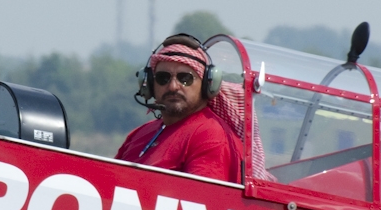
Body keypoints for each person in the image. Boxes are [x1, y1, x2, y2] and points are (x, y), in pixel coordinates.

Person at [116, 35, 270, 183]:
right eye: (163, 78)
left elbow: (201, 203)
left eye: (185, 78)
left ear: (207, 85)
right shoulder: (139, 134)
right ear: (149, 83)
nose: (173, 86)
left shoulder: (209, 135)